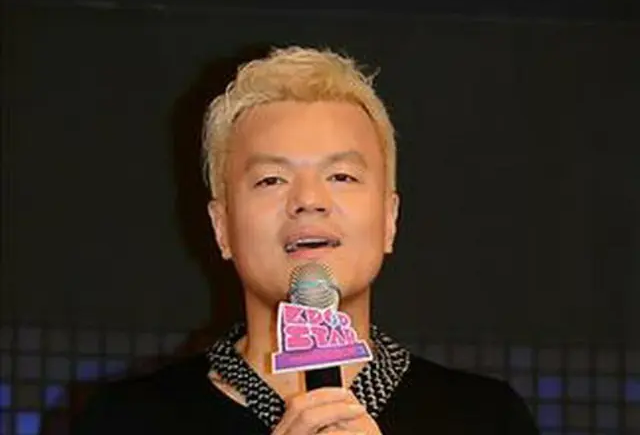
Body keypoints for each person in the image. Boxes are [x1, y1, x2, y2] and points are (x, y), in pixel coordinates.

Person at [71, 46, 540, 434]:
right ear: (222, 227)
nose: (309, 201)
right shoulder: (127, 420)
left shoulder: (486, 418)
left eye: (341, 176)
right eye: (271, 180)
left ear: (389, 219)